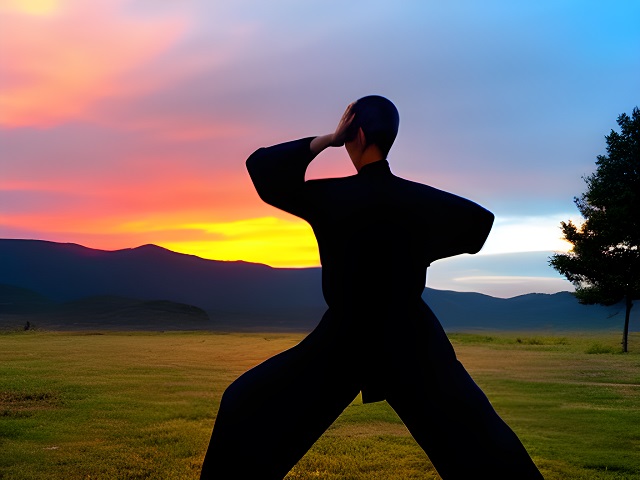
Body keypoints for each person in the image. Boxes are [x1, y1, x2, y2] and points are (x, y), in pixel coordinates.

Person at [200, 95, 543, 479]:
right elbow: (479, 223)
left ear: (356, 135)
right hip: (410, 337)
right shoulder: (416, 199)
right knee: (482, 442)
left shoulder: (331, 196)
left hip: (346, 338)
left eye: (347, 138)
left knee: (244, 406)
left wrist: (327, 139)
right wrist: (424, 248)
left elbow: (263, 169)